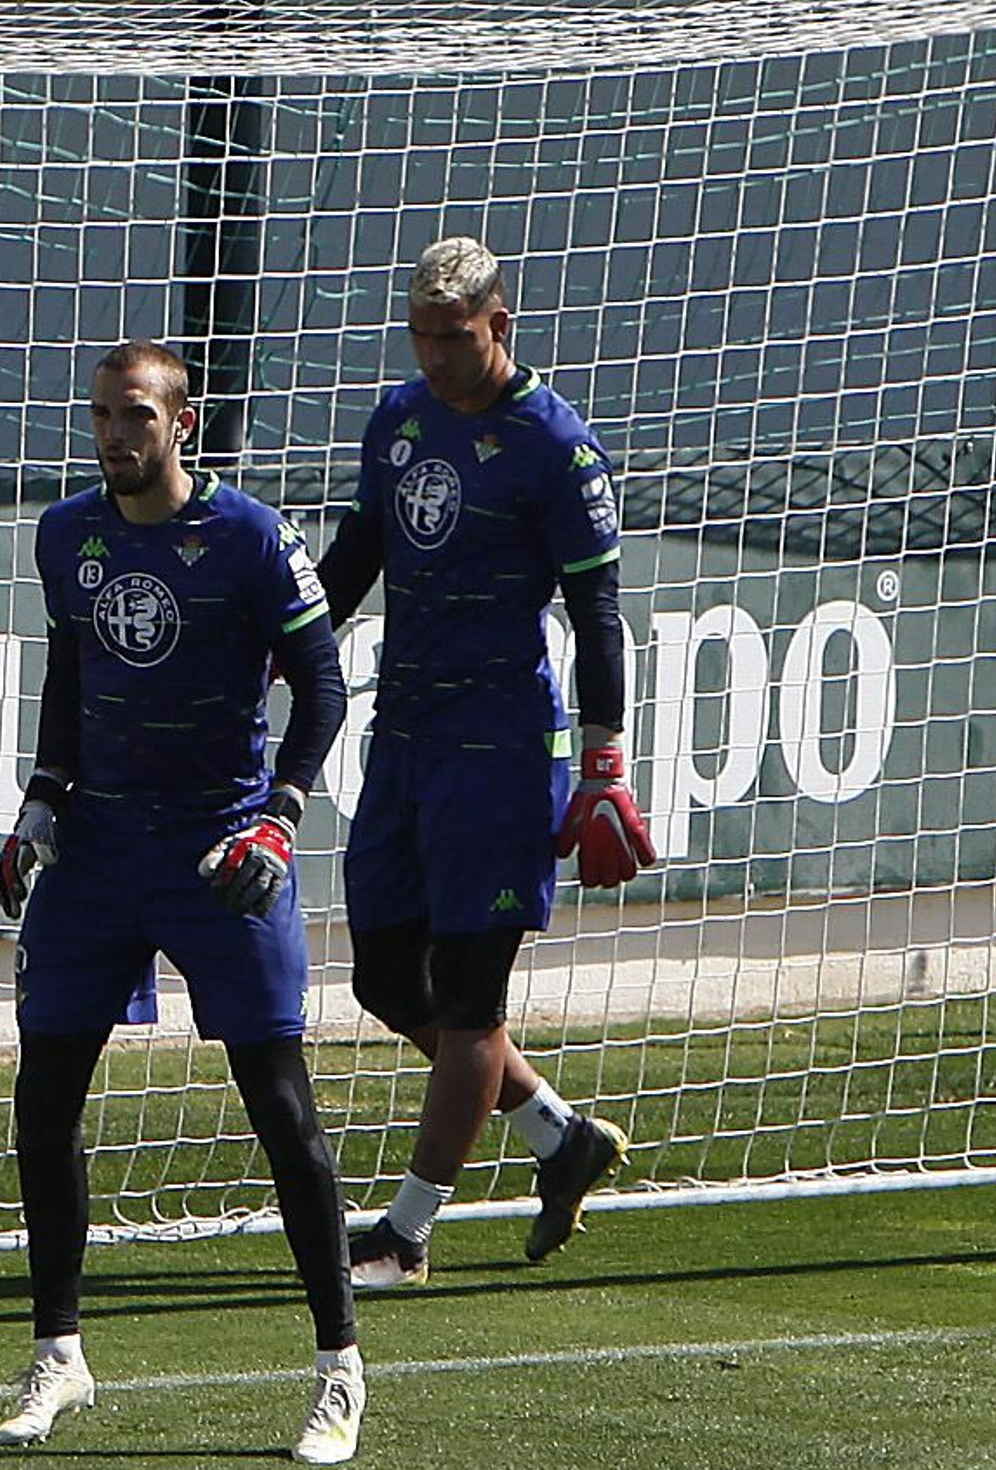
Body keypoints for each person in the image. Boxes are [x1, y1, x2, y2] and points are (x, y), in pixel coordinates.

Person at [0, 340, 365, 1465]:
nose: (116, 434)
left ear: (182, 424)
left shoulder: (248, 537)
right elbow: (70, 679)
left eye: (137, 415)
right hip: (99, 854)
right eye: (103, 414)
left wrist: (279, 816)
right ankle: (58, 1353)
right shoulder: (67, 536)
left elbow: (325, 687)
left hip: (220, 852)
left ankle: (339, 1367)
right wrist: (41, 803)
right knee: (44, 1089)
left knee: (279, 1106)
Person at [316, 237, 656, 1289]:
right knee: (383, 977)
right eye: (420, 337)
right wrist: (282, 655)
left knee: (470, 1000)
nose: (434, 357)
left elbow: (596, 607)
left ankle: (407, 1233)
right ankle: (560, 1138)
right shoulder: (399, 420)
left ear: (497, 326)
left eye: (452, 339)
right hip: (404, 740)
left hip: (500, 753)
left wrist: (604, 755)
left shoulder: (554, 445)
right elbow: (356, 556)